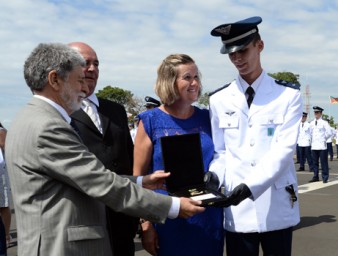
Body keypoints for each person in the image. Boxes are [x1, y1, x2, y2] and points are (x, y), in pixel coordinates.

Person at [6, 42, 205, 256]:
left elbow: (81, 178)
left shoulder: (28, 117)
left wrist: (140, 181)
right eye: (79, 80)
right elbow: (99, 182)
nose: (84, 88)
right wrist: (173, 206)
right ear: (55, 80)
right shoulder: (48, 126)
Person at [208, 16, 301, 256]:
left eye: (243, 50)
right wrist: (214, 175)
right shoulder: (218, 99)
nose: (237, 58)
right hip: (237, 209)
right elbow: (221, 151)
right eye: (231, 53)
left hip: (276, 203)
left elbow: (283, 151)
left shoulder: (287, 96)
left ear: (260, 45)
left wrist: (250, 186)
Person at [133, 54, 224, 256]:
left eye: (196, 77)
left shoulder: (208, 118)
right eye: (187, 77)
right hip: (168, 217)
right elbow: (139, 180)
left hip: (207, 215)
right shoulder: (150, 121)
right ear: (169, 82)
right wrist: (146, 225)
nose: (195, 83)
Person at [68, 42, 138, 256]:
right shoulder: (62, 112)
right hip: (85, 222)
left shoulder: (115, 110)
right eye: (85, 63)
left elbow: (131, 158)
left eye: (96, 64)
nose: (92, 69)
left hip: (123, 219)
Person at [309, 106, 332, 183]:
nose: (316, 114)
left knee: (323, 163)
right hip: (314, 145)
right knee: (315, 163)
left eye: (317, 112)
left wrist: (323, 139)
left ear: (321, 113)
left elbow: (329, 133)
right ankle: (315, 176)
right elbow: (310, 133)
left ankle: (325, 177)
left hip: (322, 146)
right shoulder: (311, 123)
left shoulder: (324, 123)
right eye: (315, 112)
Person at [0, 123, 10, 256]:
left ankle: (6, 235)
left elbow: (8, 148)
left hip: (1, 174)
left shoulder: (1, 132)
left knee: (3, 206)